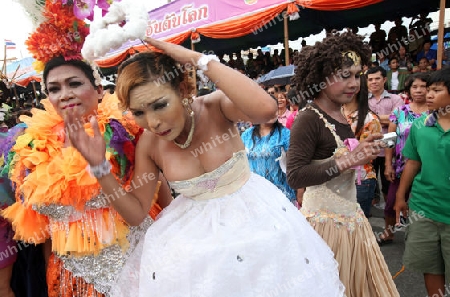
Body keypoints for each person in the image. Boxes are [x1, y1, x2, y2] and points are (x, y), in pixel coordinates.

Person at [68, 37, 347, 296]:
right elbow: (136, 213)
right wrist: (100, 168)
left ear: (183, 90)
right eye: (139, 112)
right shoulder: (150, 145)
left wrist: (196, 58)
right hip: (199, 252)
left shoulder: (217, 108)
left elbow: (266, 109)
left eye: (159, 105)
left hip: (260, 230)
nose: (152, 122)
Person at [287, 30, 400, 297]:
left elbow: (341, 160)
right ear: (321, 78)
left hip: (351, 221)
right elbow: (296, 175)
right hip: (324, 228)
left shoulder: (338, 112)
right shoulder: (308, 118)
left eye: (356, 75)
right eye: (344, 75)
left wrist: (362, 150)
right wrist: (349, 159)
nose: (354, 83)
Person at [395, 67, 450, 297]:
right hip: (424, 208)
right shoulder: (420, 126)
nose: (428, 95)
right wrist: (400, 196)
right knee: (430, 265)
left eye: (436, 90)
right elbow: (413, 162)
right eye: (428, 90)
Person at [381, 73, 430, 246]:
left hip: (428, 170)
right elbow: (390, 138)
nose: (419, 90)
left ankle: (419, 238)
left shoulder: (436, 113)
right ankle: (388, 234)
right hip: (401, 167)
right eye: (414, 87)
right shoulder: (400, 112)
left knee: (421, 206)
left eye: (423, 86)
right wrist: (388, 164)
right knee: (391, 204)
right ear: (408, 90)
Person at [241, 95, 296, 203]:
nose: (272, 113)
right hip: (254, 194)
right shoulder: (246, 136)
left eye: (274, 109)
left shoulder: (285, 135)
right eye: (267, 109)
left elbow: (295, 165)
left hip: (280, 196)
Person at [342, 75, 382, 218]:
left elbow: (368, 155)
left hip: (360, 180)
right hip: (334, 178)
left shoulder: (370, 119)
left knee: (357, 230)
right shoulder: (333, 114)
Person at [366, 66, 404, 209]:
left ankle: (391, 212)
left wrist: (372, 119)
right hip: (369, 147)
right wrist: (388, 120)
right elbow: (361, 119)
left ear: (385, 80)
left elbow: (399, 120)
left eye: (377, 78)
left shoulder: (395, 99)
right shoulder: (362, 100)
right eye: (370, 79)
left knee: (389, 181)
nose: (373, 82)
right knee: (369, 182)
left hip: (389, 144)